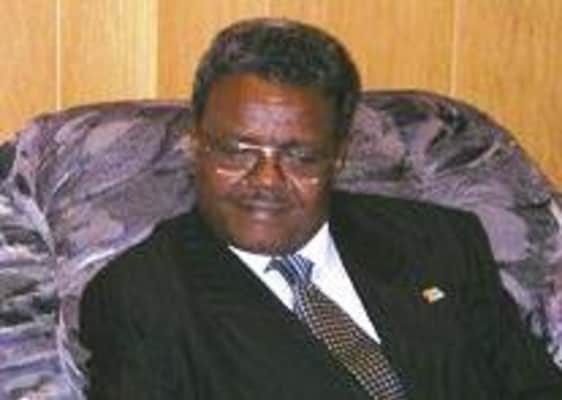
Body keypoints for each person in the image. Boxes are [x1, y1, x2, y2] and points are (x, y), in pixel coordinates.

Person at [79, 17, 562, 399]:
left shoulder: (438, 241)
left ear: (338, 157)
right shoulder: (141, 298)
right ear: (196, 146)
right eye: (237, 151)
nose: (266, 180)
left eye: (300, 156)